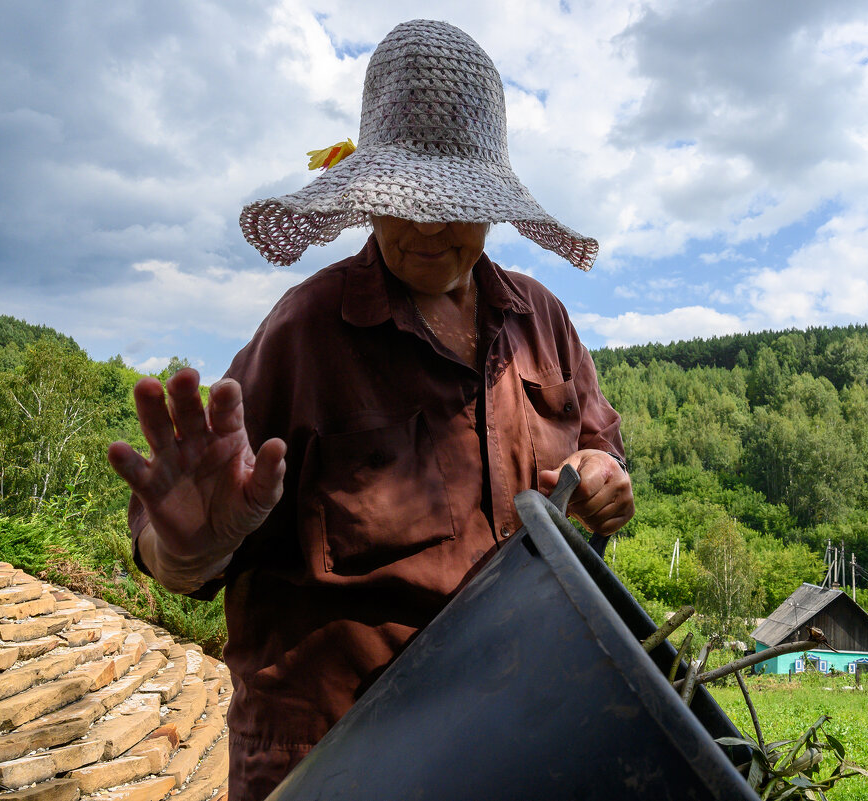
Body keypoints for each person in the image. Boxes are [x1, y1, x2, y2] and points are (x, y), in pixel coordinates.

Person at [107, 19, 633, 801]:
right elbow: (181, 549)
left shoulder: (542, 324)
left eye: (453, 202)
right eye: (405, 198)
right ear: (368, 193)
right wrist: (190, 547)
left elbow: (604, 454)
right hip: (335, 766)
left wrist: (608, 480)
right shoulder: (305, 333)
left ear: (493, 203)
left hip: (514, 749)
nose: (426, 225)